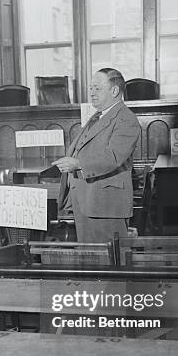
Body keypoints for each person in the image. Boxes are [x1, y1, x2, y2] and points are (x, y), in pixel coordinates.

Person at [53, 68, 141, 243]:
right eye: (91, 88)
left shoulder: (125, 119)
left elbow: (113, 156)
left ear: (115, 91)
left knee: (109, 260)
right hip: (88, 200)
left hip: (105, 204)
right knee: (92, 258)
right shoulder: (99, 116)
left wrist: (78, 164)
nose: (91, 93)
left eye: (97, 88)